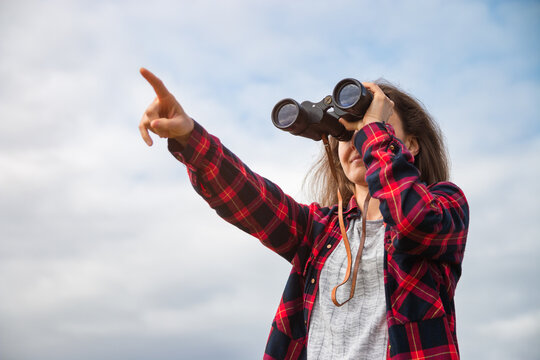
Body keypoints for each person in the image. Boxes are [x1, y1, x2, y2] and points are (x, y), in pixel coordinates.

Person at [138, 67, 469, 360]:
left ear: (410, 144)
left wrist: (374, 135)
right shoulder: (321, 230)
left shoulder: (446, 205)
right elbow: (251, 198)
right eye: (347, 134)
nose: (358, 141)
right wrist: (188, 135)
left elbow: (413, 220)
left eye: (371, 128)